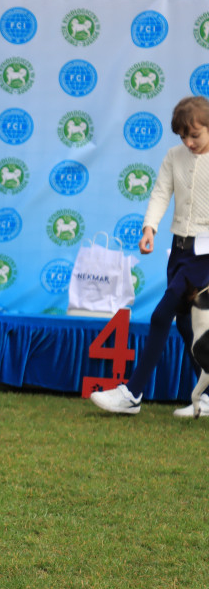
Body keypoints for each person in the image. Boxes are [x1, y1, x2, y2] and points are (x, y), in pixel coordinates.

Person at [91, 95, 209, 417]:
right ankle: (207, 397)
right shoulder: (174, 156)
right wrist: (150, 228)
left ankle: (132, 394)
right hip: (179, 252)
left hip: (205, 258)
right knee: (188, 327)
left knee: (161, 316)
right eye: (183, 136)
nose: (188, 142)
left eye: (195, 135)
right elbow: (160, 192)